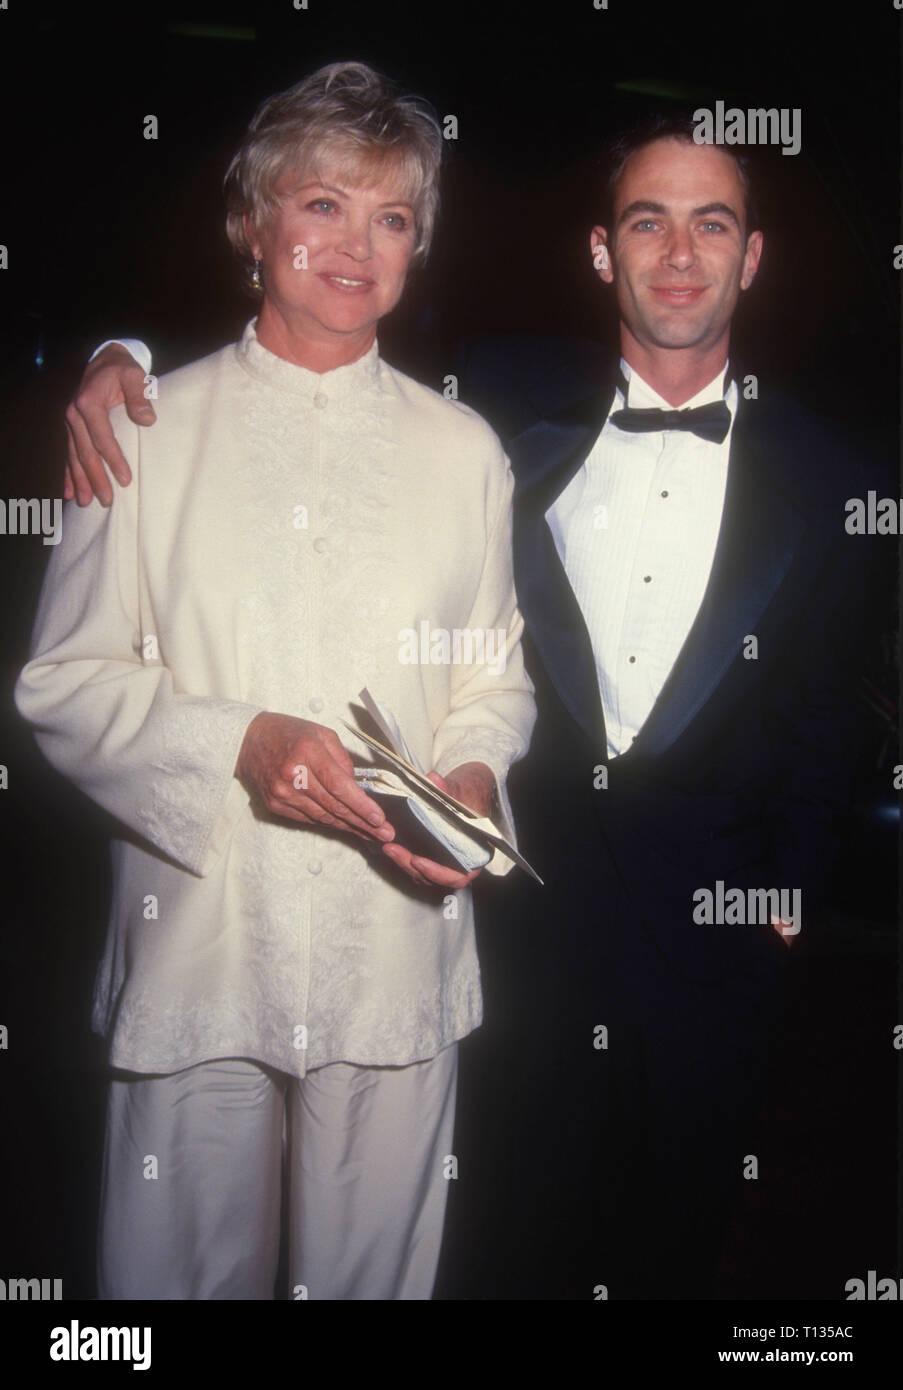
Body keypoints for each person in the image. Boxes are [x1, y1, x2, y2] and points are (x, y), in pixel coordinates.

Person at [59, 112, 886, 1301]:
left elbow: (829, 710)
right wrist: (113, 354)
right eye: (647, 221)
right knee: (484, 1256)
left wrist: (785, 905)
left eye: (715, 224)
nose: (681, 254)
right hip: (516, 956)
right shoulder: (504, 413)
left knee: (679, 1252)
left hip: (712, 962)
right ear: (603, 252)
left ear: (752, 257)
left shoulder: (841, 480)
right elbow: (284, 360)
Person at [15, 60, 535, 1302]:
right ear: (254, 223)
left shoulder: (466, 449)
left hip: (397, 947)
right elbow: (63, 683)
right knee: (169, 1285)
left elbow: (495, 675)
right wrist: (238, 742)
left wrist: (469, 769)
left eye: (393, 217)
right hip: (201, 941)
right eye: (321, 206)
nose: (358, 246)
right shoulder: (141, 423)